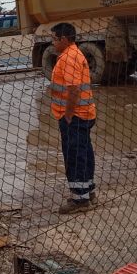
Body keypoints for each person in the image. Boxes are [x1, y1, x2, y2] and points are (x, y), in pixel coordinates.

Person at [50, 22, 97, 214]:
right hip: (84, 113)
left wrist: (68, 115)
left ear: (63, 39)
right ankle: (87, 190)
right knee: (84, 151)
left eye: (53, 39)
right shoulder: (74, 54)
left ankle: (79, 199)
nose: (52, 43)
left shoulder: (69, 57)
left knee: (74, 155)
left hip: (74, 115)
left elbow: (74, 89)